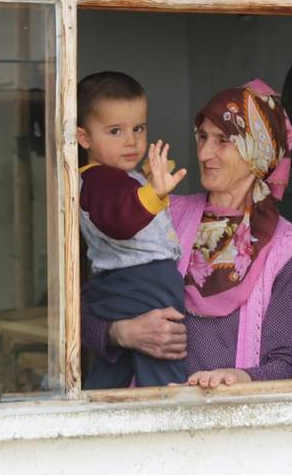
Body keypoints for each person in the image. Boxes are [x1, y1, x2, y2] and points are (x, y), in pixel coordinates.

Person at [82, 79, 292, 388]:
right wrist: (122, 332)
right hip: (146, 417)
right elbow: (83, 308)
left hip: (231, 424)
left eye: (222, 140)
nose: (203, 153)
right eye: (202, 137)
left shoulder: (289, 247)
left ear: (259, 149)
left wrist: (238, 378)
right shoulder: (161, 212)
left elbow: (286, 363)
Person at [76, 71, 190, 388]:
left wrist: (143, 181)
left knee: (115, 369)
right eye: (115, 131)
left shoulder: (110, 177)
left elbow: (119, 202)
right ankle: (169, 416)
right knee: (163, 359)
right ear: (84, 138)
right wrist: (152, 193)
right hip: (144, 280)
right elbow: (118, 219)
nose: (131, 141)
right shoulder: (101, 179)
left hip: (119, 282)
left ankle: (97, 413)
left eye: (138, 128)